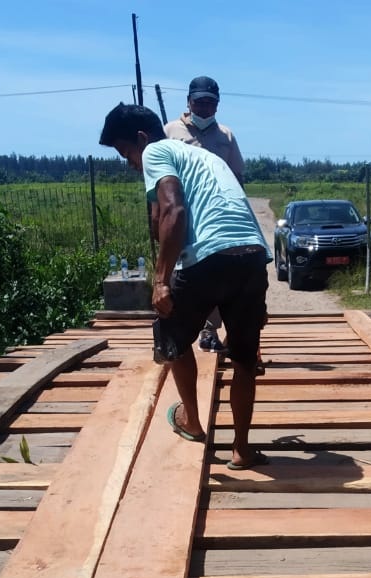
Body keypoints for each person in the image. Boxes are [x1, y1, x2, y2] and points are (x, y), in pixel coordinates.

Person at [99, 102, 271, 470]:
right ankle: (241, 449)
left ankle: (192, 421)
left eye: (126, 152)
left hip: (209, 256)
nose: (130, 163)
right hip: (252, 257)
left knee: (172, 336)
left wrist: (160, 280)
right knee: (243, 359)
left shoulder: (158, 150)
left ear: (142, 139)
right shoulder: (206, 158)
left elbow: (174, 210)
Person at [163, 75, 245, 355]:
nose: (204, 108)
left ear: (217, 106)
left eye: (210, 103)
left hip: (219, 217)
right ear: (188, 102)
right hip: (184, 212)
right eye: (199, 102)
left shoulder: (226, 136)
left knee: (217, 271)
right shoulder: (171, 131)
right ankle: (179, 329)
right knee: (185, 271)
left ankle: (210, 331)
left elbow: (237, 176)